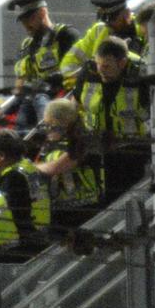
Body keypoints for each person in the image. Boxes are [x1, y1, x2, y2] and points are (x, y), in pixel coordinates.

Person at [72, 36, 152, 204]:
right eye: (99, 64)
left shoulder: (142, 76)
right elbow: (75, 104)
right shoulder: (89, 71)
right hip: (96, 149)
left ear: (122, 63)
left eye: (107, 66)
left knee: (127, 199)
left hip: (132, 152)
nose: (101, 71)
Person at [0, 0, 78, 132]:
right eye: (23, 20)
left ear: (42, 12)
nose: (26, 24)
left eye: (29, 18)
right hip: (31, 100)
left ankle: (48, 130)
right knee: (24, 111)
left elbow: (75, 73)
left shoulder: (65, 35)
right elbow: (20, 85)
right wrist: (3, 110)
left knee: (37, 97)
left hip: (60, 99)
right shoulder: (26, 46)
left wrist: (47, 82)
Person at [35, 99, 102, 233]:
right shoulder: (51, 143)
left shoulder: (83, 140)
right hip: (59, 211)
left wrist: (29, 167)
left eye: (51, 124)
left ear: (65, 122)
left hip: (84, 210)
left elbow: (56, 167)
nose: (48, 128)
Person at [59, 0, 146, 87]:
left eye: (111, 18)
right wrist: (86, 76)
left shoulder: (144, 31)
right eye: (103, 18)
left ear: (126, 13)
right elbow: (68, 64)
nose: (107, 23)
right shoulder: (98, 30)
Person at [0, 130, 51, 256]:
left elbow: (15, 213)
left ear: (1, 156)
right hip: (41, 231)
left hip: (27, 241)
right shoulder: (28, 167)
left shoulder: (12, 177)